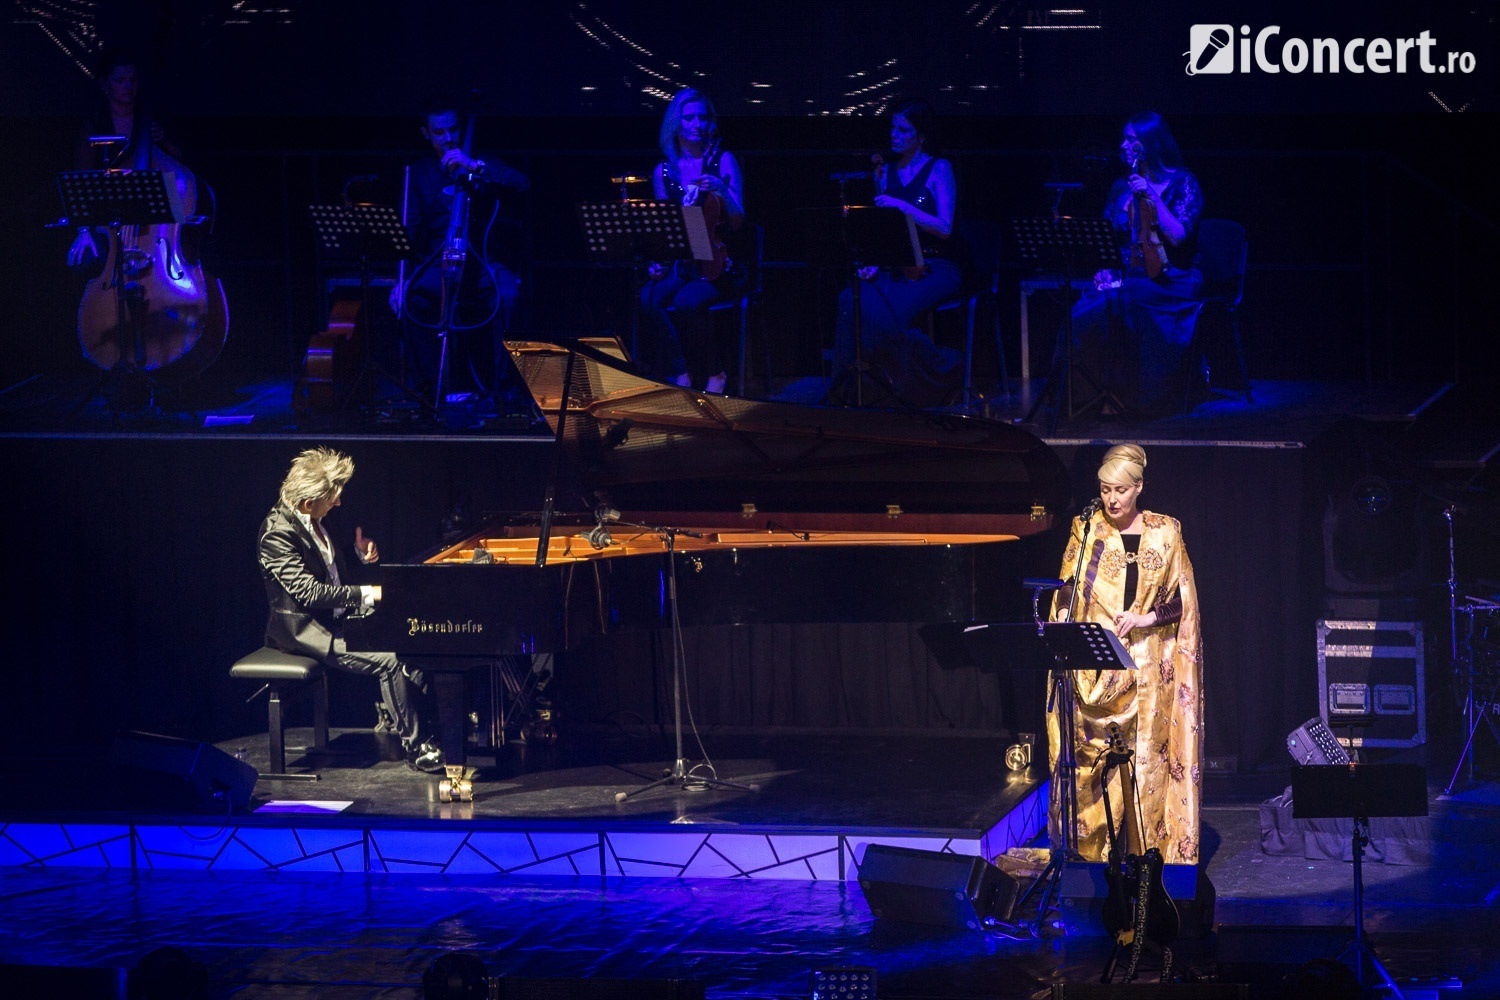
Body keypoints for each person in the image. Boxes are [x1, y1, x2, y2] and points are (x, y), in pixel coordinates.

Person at [1047, 444, 1202, 864]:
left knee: (1144, 767)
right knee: (1090, 765)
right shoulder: (1088, 531)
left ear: (1139, 488)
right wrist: (1062, 617)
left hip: (1147, 671)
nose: (1111, 499)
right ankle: (1089, 856)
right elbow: (1067, 587)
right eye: (1104, 490)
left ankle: (1143, 856)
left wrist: (1145, 619)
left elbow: (1182, 602)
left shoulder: (1166, 532)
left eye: (1119, 490)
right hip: (1097, 669)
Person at [257, 447, 444, 773]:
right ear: (307, 503)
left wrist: (355, 553)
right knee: (390, 661)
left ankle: (426, 729)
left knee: (411, 637)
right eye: (333, 498)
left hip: (340, 619)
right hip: (308, 632)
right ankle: (415, 749)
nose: (339, 503)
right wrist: (366, 594)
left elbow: (322, 564)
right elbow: (310, 592)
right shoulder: (276, 535)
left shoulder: (317, 517)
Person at [392, 98, 531, 409]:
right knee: (409, 300)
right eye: (439, 132)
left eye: (453, 129)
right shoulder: (419, 173)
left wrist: (475, 167)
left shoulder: (480, 161)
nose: (448, 138)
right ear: (426, 134)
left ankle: (500, 388)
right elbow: (409, 233)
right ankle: (431, 387)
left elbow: (522, 183)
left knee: (508, 296)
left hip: (483, 260)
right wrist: (402, 279)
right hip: (436, 262)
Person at [1064, 112, 1204, 416]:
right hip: (1131, 275)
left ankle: (1136, 396)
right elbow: (1110, 241)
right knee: (1084, 308)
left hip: (1172, 278)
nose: (1123, 145)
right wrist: (1106, 267)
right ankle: (1086, 396)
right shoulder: (1120, 187)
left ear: (1151, 143)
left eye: (1132, 139)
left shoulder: (1183, 182)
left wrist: (1150, 193)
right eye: (1123, 139)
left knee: (1128, 301)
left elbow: (1178, 235)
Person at [831, 101, 964, 409]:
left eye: (903, 130)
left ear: (921, 136)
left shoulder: (939, 168)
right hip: (896, 265)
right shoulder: (885, 172)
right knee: (849, 301)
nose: (894, 135)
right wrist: (873, 263)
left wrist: (904, 208)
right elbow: (883, 231)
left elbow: (945, 227)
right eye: (893, 128)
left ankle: (944, 368)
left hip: (936, 265)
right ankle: (853, 393)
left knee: (890, 317)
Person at [638, 88, 747, 394]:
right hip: (684, 263)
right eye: (689, 117)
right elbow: (665, 227)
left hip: (721, 263)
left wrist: (723, 192)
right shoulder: (664, 171)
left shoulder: (723, 161)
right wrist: (659, 260)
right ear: (677, 123)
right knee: (648, 298)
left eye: (702, 117)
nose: (697, 123)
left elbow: (738, 223)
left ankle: (715, 373)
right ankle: (680, 370)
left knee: (687, 302)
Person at [66, 50, 192, 268]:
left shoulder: (152, 120)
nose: (128, 86)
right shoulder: (95, 126)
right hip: (108, 218)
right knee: (84, 260)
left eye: (133, 80)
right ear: (105, 85)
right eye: (120, 80)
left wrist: (163, 140)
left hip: (153, 225)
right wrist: (84, 230)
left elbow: (181, 165)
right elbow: (81, 179)